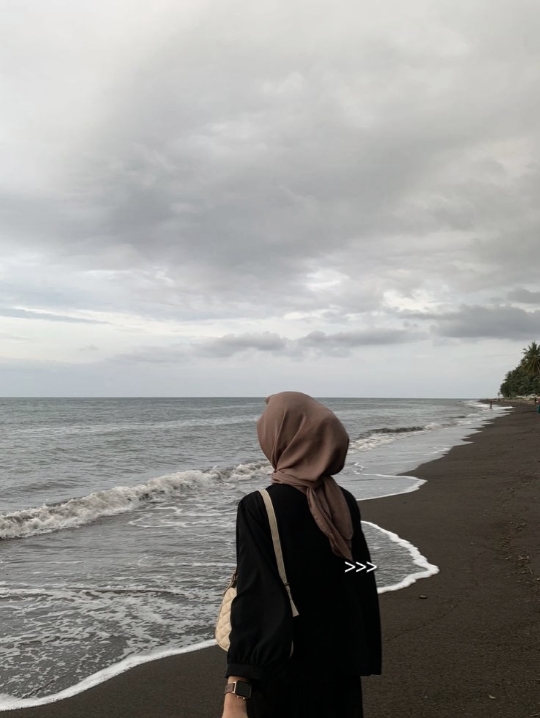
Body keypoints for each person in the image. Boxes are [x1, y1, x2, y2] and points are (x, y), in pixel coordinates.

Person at [222, 392, 382, 718]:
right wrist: (362, 647)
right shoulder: (343, 500)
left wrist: (237, 686)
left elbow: (257, 594)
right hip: (340, 658)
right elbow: (362, 571)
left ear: (278, 438)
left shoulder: (260, 505)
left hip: (287, 662)